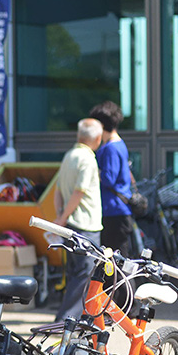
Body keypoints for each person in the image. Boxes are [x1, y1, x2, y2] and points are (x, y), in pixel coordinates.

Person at [53, 118, 105, 323]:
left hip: (71, 226)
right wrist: (64, 216)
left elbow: (58, 190)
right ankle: (66, 322)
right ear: (98, 138)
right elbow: (79, 192)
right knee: (85, 277)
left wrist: (61, 217)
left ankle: (74, 320)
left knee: (76, 275)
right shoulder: (88, 159)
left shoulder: (70, 155)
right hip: (86, 226)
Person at [89, 101, 135, 256]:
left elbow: (109, 178)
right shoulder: (119, 144)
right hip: (118, 210)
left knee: (115, 264)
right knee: (117, 262)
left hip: (113, 212)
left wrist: (91, 169)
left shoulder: (110, 148)